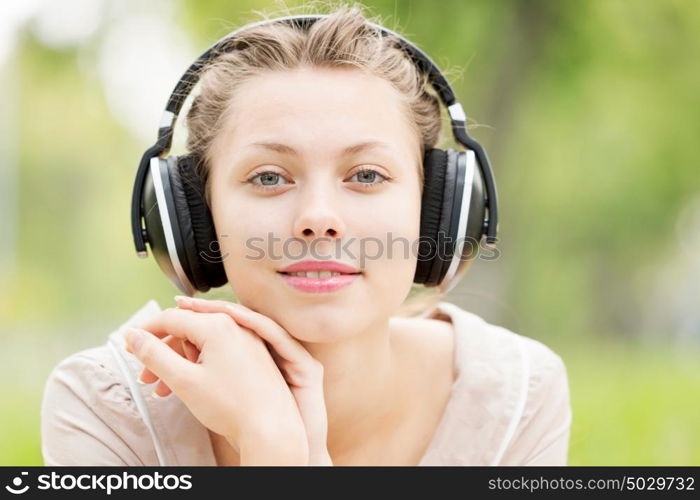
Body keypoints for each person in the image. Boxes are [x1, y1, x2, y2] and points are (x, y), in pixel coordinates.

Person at [40, 3, 572, 466]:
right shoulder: (106, 408)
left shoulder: (515, 398)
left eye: (366, 175)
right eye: (269, 177)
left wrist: (285, 456)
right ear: (198, 218)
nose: (318, 219)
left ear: (435, 210)